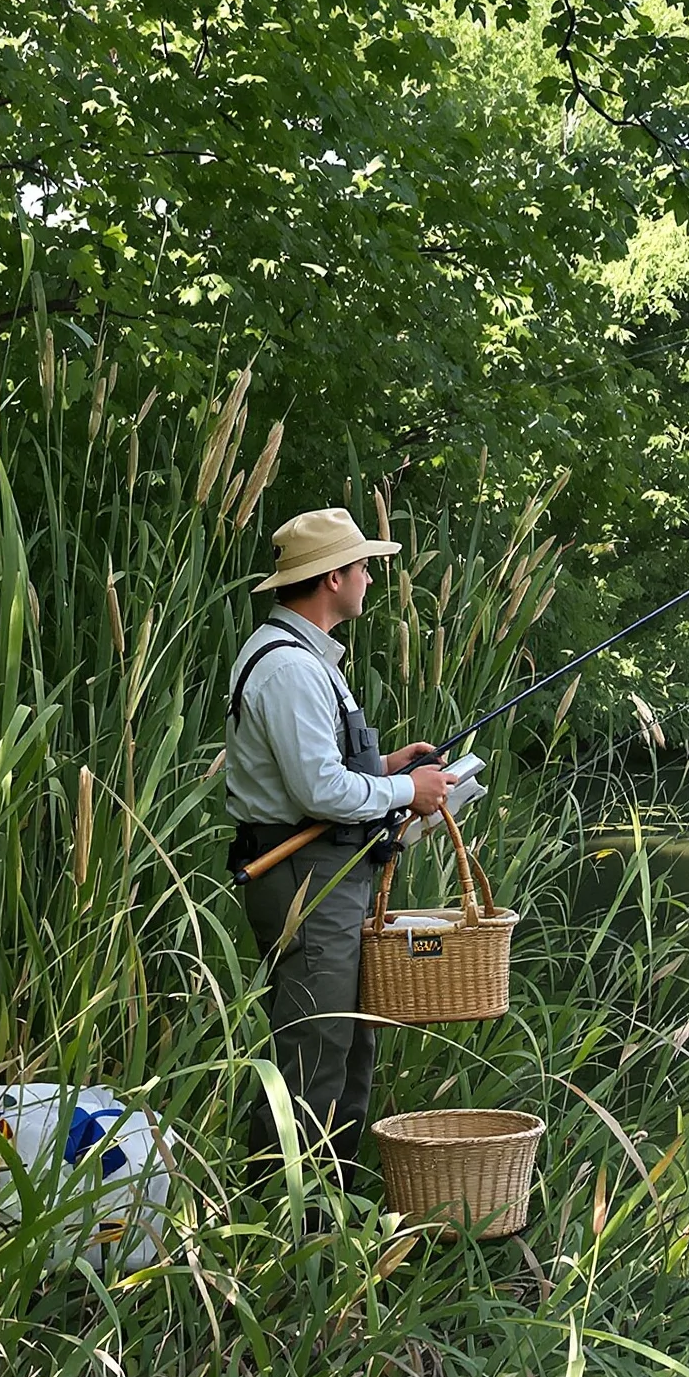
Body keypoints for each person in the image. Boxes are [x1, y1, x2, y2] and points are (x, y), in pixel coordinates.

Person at [226, 507, 451, 1185]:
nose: (370, 581)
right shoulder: (291, 669)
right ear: (331, 579)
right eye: (361, 568)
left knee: (350, 1044)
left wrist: (387, 768)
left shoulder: (307, 659)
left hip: (325, 874)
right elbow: (321, 792)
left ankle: (333, 1210)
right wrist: (406, 794)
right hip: (304, 878)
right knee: (312, 1053)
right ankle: (288, 1222)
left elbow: (312, 773)